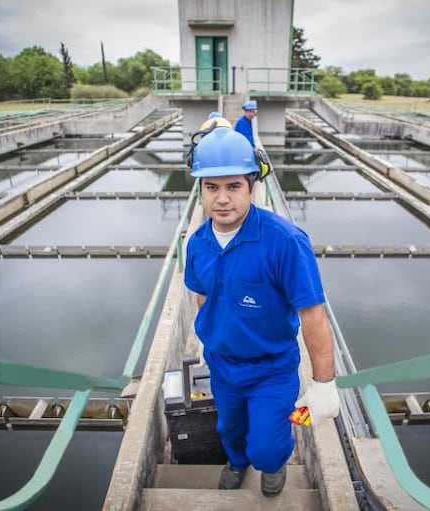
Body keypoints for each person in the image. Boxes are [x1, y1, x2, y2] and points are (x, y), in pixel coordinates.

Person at [183, 126, 339, 498]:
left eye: (233, 186)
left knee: (267, 448)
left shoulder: (285, 242)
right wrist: (211, 339)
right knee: (230, 431)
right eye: (211, 187)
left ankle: (271, 467)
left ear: (252, 186)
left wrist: (324, 383)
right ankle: (237, 462)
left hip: (271, 368)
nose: (222, 199)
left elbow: (313, 316)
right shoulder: (198, 244)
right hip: (222, 366)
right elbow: (202, 296)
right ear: (200, 189)